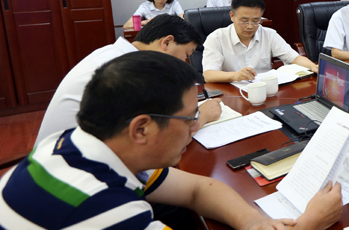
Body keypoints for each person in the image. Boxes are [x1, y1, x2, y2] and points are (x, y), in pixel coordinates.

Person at [0, 51, 343, 230]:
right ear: (141, 129)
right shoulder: (89, 201)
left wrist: (250, 220)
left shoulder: (83, 147)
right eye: (190, 118)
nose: (195, 126)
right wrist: (310, 222)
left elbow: (198, 189)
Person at [36, 14, 221, 144]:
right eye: (186, 54)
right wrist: (203, 116)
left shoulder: (112, 53)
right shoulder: (127, 72)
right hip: (72, 173)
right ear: (166, 42)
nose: (184, 62)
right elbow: (162, 139)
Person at [202, 0, 318, 83]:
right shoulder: (216, 38)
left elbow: (294, 57)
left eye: (256, 21)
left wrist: (313, 66)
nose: (250, 26)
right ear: (232, 16)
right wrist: (235, 75)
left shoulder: (269, 34)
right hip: (232, 91)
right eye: (244, 21)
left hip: (265, 89)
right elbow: (208, 74)